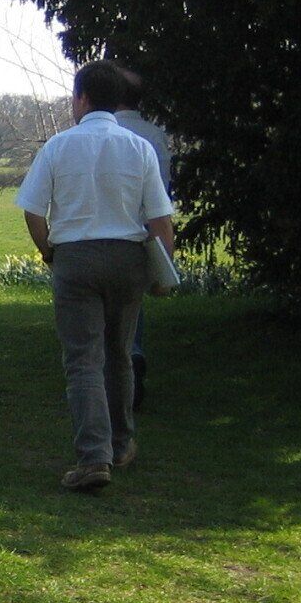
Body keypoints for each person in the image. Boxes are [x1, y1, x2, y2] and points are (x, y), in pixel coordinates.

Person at [15, 60, 176, 491]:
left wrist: (48, 250)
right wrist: (165, 272)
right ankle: (123, 443)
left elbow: (33, 209)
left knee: (83, 359)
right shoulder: (138, 147)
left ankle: (93, 457)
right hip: (128, 258)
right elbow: (161, 218)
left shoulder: (59, 146)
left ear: (82, 98)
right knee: (119, 354)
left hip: (77, 259)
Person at [113, 66, 173, 410]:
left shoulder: (104, 133)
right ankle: (133, 354)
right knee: (133, 304)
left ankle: (121, 365)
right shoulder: (156, 135)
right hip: (145, 229)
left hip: (110, 228)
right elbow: (162, 194)